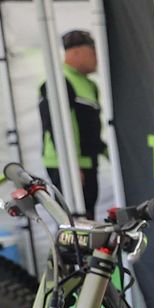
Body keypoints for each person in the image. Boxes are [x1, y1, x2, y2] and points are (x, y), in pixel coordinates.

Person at [37, 28, 104, 215]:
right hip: (65, 165)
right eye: (92, 52)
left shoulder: (89, 84)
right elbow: (56, 125)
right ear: (76, 52)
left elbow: (91, 126)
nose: (96, 58)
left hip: (87, 162)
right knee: (72, 217)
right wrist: (71, 165)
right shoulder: (58, 81)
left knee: (88, 214)